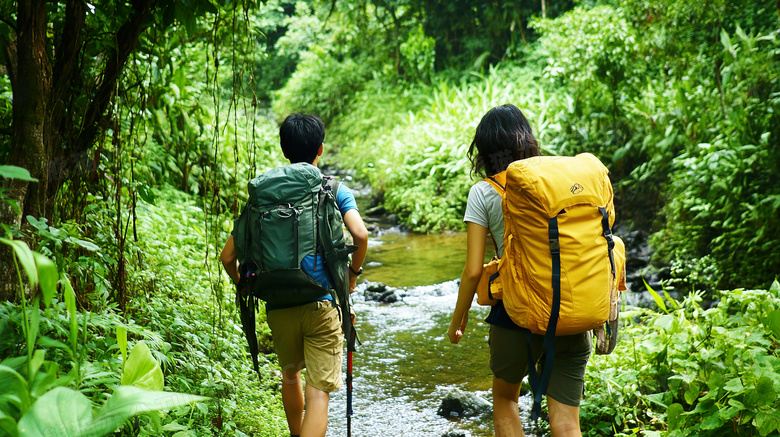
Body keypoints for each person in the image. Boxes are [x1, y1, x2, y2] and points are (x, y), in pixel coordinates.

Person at [220, 113, 368, 437]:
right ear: (321, 149)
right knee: (318, 392)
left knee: (290, 375)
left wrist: (245, 285)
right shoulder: (333, 188)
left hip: (278, 305)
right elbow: (361, 235)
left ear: (285, 150)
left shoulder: (264, 195)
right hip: (321, 304)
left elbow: (227, 256)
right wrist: (353, 274)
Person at [446, 104, 590, 437]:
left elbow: (471, 271)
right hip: (569, 309)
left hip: (515, 315)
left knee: (505, 400)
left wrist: (459, 318)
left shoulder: (484, 192)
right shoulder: (557, 179)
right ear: (526, 138)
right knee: (567, 421)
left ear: (483, 150)